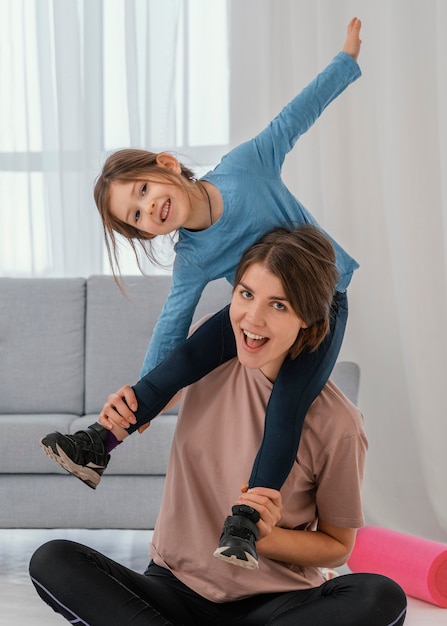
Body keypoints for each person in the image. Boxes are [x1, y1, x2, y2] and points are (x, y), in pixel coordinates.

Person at [40, 19, 363, 569]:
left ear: (166, 165)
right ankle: (100, 443)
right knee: (187, 354)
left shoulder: (246, 166)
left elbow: (296, 117)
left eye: (143, 192)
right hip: (256, 311)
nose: (148, 209)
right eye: (137, 218)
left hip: (316, 306)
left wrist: (346, 59)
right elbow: (172, 334)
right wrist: (139, 409)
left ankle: (245, 521)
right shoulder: (192, 259)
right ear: (149, 234)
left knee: (286, 406)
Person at [30, 225, 407, 626]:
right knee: (53, 559)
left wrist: (269, 537)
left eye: (278, 305)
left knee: (381, 596)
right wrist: (121, 412)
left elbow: (336, 547)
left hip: (275, 605)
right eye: (246, 294)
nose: (252, 318)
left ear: (308, 321)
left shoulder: (338, 423)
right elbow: (157, 396)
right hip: (173, 588)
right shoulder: (210, 355)